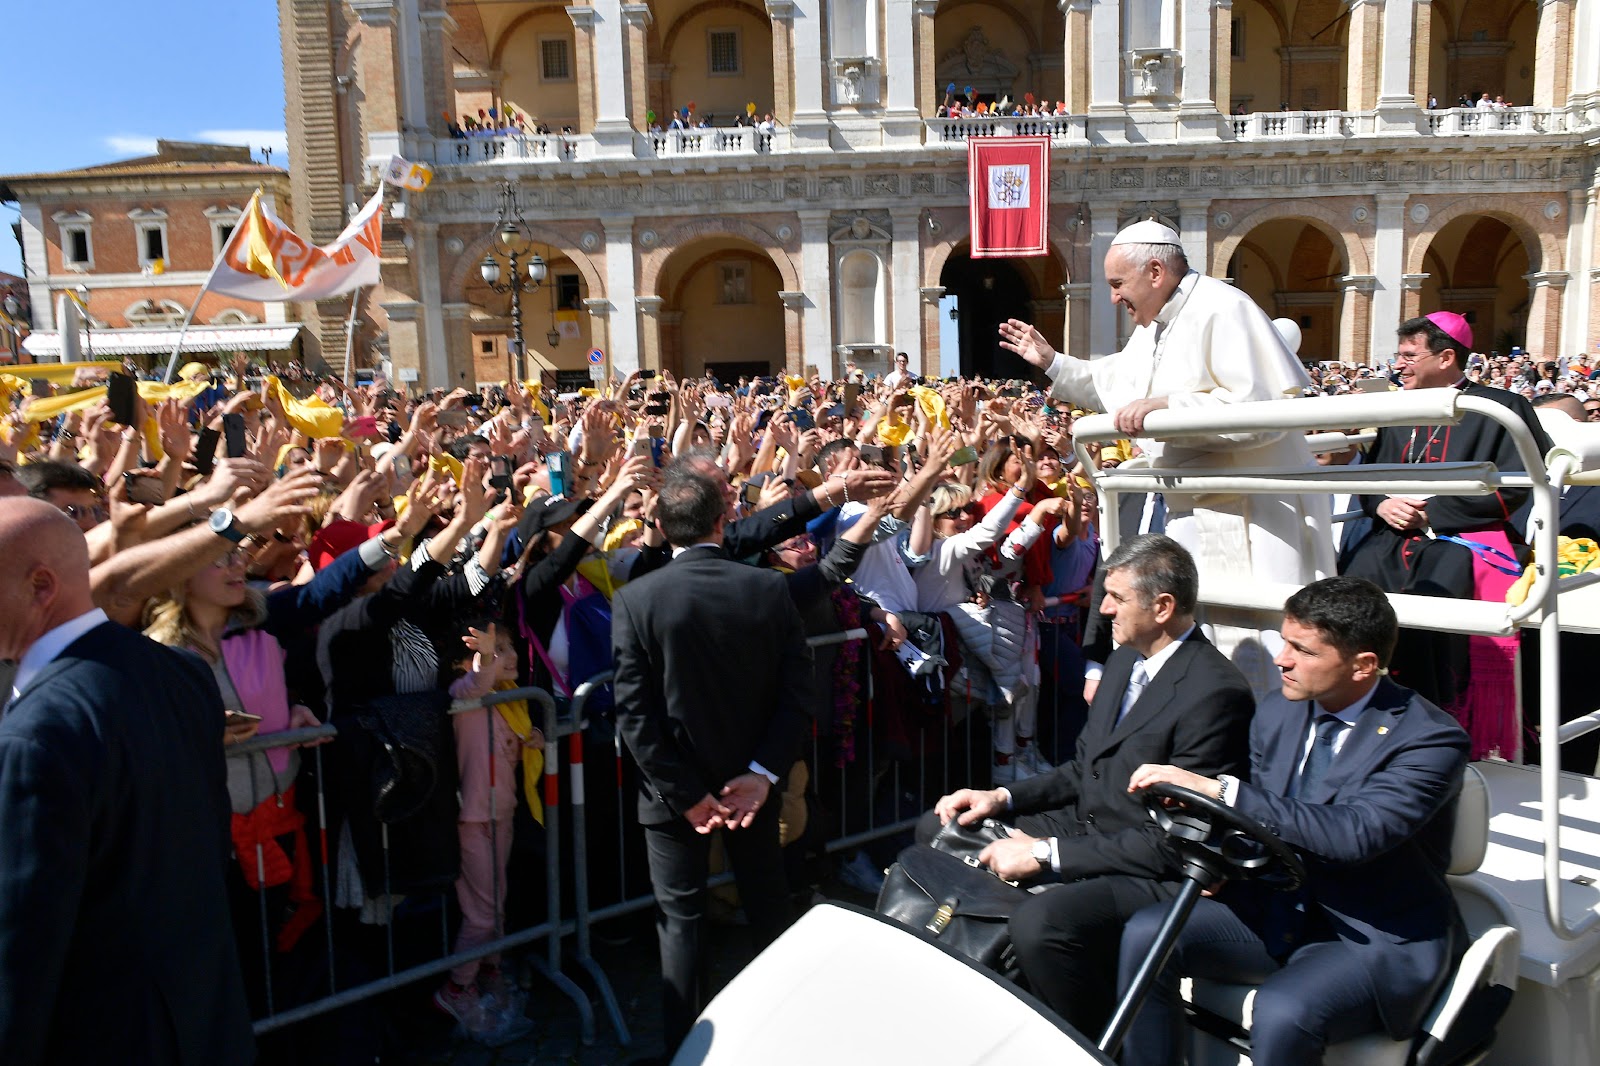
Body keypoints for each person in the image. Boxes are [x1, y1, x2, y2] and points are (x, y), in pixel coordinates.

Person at [1119, 576, 1471, 1064]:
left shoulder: (1429, 741)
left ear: (1364, 665)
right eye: (1285, 642)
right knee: (1145, 936)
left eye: (1303, 650)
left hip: (1367, 933)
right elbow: (1263, 819)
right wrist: (1219, 849)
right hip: (1282, 907)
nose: (1281, 659)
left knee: (1284, 1009)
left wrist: (1223, 791)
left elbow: (1355, 834)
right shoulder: (1278, 713)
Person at [922, 534, 1253, 1038]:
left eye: (1117, 597)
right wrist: (1002, 798)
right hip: (1086, 825)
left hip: (1146, 862)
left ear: (1162, 607)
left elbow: (1172, 841)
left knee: (1043, 923)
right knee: (943, 826)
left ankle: (1091, 1043)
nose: (1104, 608)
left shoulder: (1216, 693)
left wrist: (1046, 853)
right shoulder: (1124, 660)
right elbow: (1082, 770)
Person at [999, 219, 1333, 698]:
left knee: (1262, 643)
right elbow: (1113, 384)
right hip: (1194, 506)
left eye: (1118, 284)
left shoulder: (1223, 308)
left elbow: (1261, 412)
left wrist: (1169, 407)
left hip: (1253, 513)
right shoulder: (1155, 328)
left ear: (1155, 271)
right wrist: (1052, 361)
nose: (1114, 298)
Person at [0, 498, 254, 1065]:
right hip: (202, 1023)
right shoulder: (181, 672)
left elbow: (20, 954)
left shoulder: (35, 735)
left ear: (41, 586)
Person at [611, 461, 814, 1052]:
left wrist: (687, 794)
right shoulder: (766, 587)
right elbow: (798, 693)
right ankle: (784, 1037)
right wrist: (758, 776)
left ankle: (686, 1050)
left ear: (659, 523)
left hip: (677, 796)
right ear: (724, 522)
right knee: (767, 907)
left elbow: (635, 715)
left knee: (682, 926)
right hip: (748, 785)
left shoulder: (637, 599)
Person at [1341, 312, 1551, 754]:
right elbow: (1371, 477)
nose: (1398, 364)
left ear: (1447, 357)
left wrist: (1431, 514)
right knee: (1353, 583)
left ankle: (1439, 719)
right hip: (1391, 533)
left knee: (1440, 588)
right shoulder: (1398, 405)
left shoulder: (1500, 407)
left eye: (1408, 355)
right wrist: (1381, 503)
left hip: (1464, 534)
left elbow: (1516, 485)